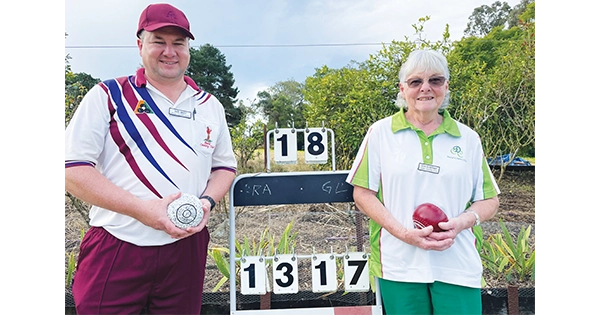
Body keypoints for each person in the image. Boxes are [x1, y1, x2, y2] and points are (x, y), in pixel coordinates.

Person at [64, 3, 237, 314]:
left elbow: (224, 167)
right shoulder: (108, 96)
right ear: (140, 44)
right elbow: (72, 170)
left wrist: (207, 203)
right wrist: (142, 210)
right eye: (159, 41)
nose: (169, 51)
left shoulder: (210, 105)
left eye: (178, 43)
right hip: (117, 243)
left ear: (188, 48)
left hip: (186, 247)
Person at [346, 49, 500, 315]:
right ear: (402, 89)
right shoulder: (381, 133)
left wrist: (461, 223)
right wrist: (404, 234)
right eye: (416, 82)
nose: (425, 88)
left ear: (446, 87)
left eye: (435, 80)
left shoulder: (468, 138)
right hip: (399, 264)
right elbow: (362, 194)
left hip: (457, 264)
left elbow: (489, 200)